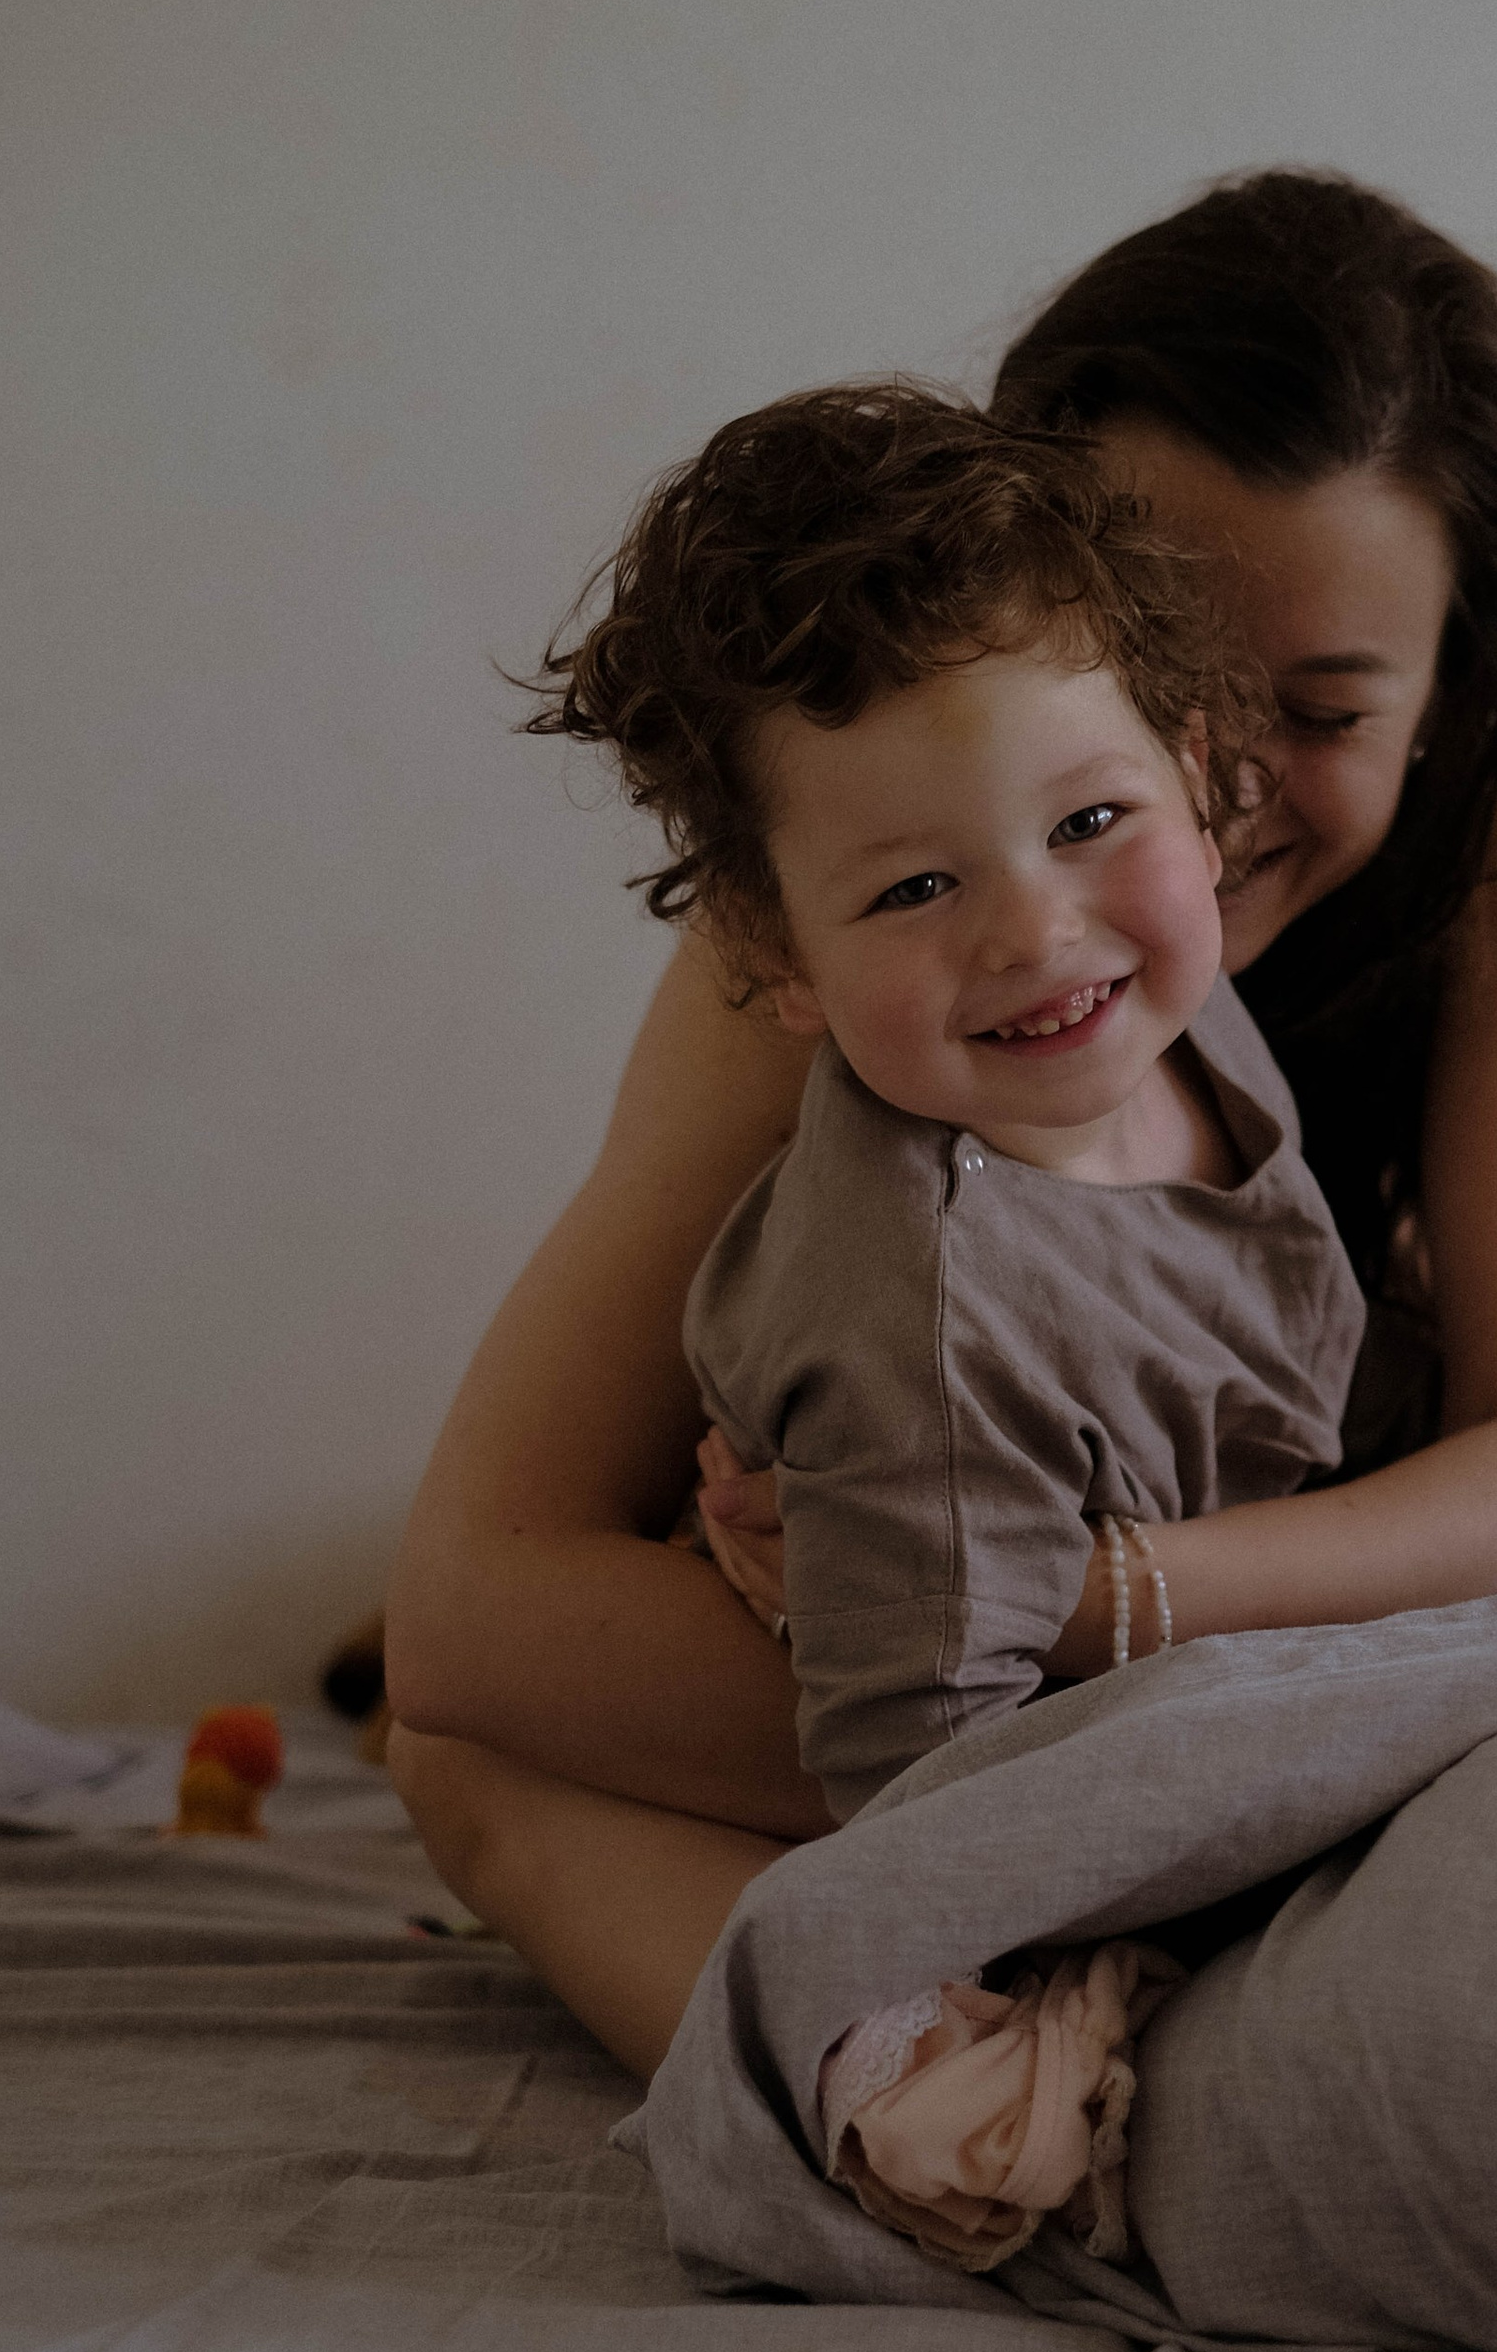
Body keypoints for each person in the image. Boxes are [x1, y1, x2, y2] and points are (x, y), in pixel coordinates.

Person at [389, 171, 1497, 2075]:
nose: (1208, 773)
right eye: (1153, 671)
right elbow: (472, 1607)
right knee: (456, 1753)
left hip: (1324, 1621)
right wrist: (974, 1633)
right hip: (1013, 1677)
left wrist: (1097, 1604)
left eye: (1323, 709)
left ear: (1452, 696)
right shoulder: (872, 947)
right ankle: (969, 2115)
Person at [572, 379, 1365, 1815]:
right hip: (965, 1771)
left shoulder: (1177, 1020)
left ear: (1192, 778)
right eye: (916, 887)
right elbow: (919, 1786)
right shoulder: (918, 1328)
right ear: (775, 952)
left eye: (1088, 822)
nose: (1037, 934)